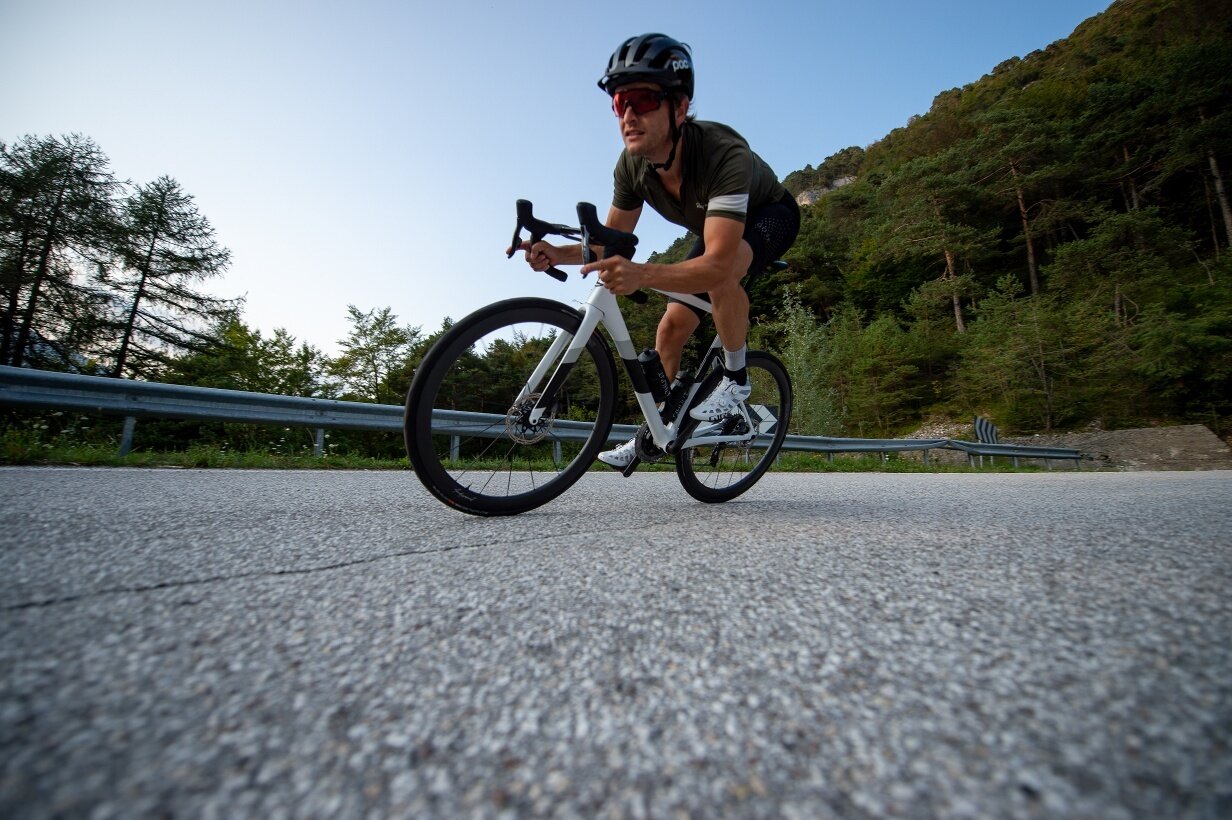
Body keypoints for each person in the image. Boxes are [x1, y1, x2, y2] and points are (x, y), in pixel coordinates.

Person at [516, 33, 799, 469]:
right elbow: (611, 242)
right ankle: (659, 430)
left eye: (643, 101)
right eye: (619, 102)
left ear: (680, 107)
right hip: (714, 228)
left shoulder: (723, 154)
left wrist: (643, 274)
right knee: (668, 332)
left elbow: (719, 262)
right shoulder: (632, 165)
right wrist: (556, 252)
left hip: (768, 215)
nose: (628, 115)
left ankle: (736, 380)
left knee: (722, 275)